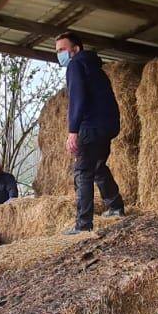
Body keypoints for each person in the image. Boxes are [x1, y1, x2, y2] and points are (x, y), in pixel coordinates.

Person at [55, 31, 126, 235]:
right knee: (97, 166)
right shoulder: (96, 68)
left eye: (62, 49)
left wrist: (73, 131)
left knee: (82, 172)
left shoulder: (76, 65)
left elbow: (77, 98)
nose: (59, 54)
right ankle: (115, 206)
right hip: (107, 125)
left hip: (90, 126)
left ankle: (83, 224)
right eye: (57, 51)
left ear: (75, 49)